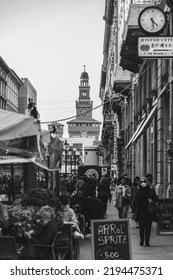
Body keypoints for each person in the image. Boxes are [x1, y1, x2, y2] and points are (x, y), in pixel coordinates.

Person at [133, 177, 158, 247]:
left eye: (144, 182)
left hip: (149, 211)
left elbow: (156, 199)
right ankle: (141, 240)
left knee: (148, 227)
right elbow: (136, 201)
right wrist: (134, 211)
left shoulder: (151, 191)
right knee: (141, 227)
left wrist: (152, 201)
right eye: (141, 182)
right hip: (141, 211)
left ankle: (147, 241)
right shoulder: (139, 191)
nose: (143, 183)